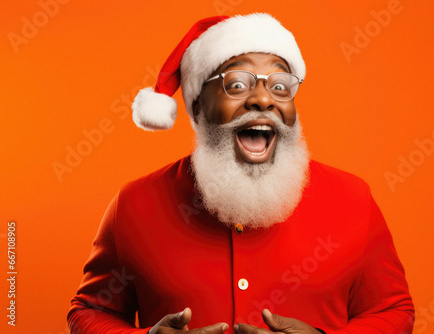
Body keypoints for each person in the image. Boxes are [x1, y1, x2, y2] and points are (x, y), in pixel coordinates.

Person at [67, 13, 415, 334]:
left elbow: (393, 311)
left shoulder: (352, 199)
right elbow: (90, 311)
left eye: (279, 86)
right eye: (237, 84)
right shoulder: (134, 204)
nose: (263, 100)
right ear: (199, 105)